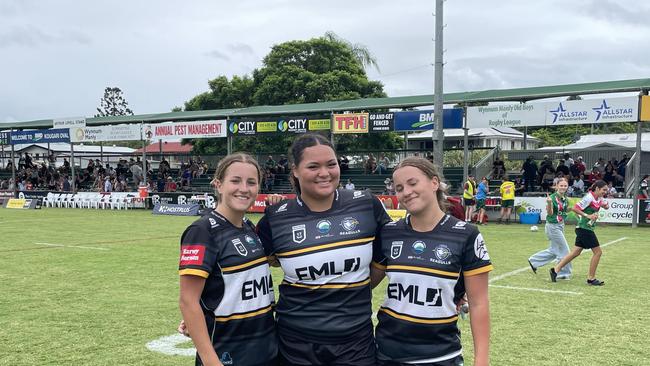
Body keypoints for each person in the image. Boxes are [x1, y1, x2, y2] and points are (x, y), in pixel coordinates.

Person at [257, 133, 391, 366]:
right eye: (313, 166)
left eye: (331, 164)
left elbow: (388, 256)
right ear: (295, 171)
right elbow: (247, 265)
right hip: (295, 343)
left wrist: (349, 291)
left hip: (356, 342)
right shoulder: (276, 217)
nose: (324, 173)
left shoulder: (366, 204)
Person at [371, 156, 492, 366]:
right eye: (399, 188)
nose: (406, 192)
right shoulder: (389, 233)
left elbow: (479, 303)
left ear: (434, 183)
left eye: (412, 183)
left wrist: (481, 360)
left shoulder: (466, 234)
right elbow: (365, 282)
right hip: (387, 354)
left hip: (440, 355)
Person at [178, 153, 277, 366]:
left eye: (251, 182)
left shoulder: (249, 227)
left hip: (266, 352)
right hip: (227, 356)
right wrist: (211, 361)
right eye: (235, 180)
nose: (244, 188)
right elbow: (188, 301)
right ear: (218, 184)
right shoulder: (202, 231)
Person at [551, 180, 610, 286]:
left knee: (575, 253)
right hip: (584, 228)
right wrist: (587, 216)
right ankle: (591, 279)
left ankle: (555, 270)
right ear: (597, 189)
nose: (605, 192)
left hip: (586, 228)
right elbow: (575, 208)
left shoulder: (598, 198)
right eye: (604, 190)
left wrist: (605, 206)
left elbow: (605, 205)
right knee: (598, 252)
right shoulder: (588, 197)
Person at [528, 177, 573, 279]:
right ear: (556, 186)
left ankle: (533, 261)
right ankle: (563, 273)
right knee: (565, 251)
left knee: (554, 250)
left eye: (565, 185)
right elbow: (550, 213)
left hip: (560, 225)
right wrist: (549, 203)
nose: (563, 187)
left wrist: (575, 209)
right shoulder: (552, 198)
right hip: (553, 226)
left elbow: (563, 211)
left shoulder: (564, 198)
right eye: (561, 185)